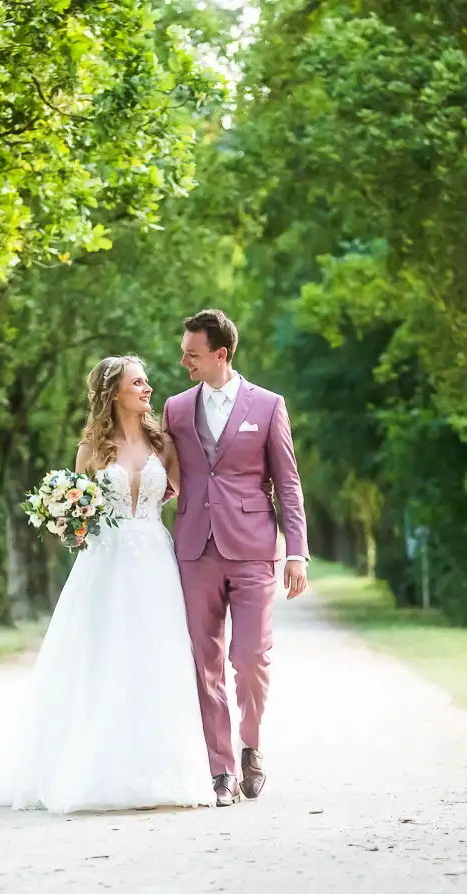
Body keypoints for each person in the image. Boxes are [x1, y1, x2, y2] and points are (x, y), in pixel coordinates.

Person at [0, 355, 212, 813]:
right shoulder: (91, 450)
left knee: (156, 658)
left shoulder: (163, 443)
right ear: (114, 392)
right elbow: (79, 521)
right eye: (138, 382)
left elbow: (191, 498)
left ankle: (161, 773)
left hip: (154, 564)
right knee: (102, 659)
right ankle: (94, 771)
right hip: (104, 564)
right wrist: (67, 519)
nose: (148, 388)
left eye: (146, 382)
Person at [163, 309, 309, 807]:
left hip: (253, 549)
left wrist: (298, 552)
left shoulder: (268, 406)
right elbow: (165, 474)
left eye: (192, 353)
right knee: (204, 663)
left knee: (249, 659)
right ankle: (220, 770)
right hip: (194, 548)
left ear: (220, 354)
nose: (183, 361)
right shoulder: (176, 409)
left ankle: (252, 745)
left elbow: (287, 483)